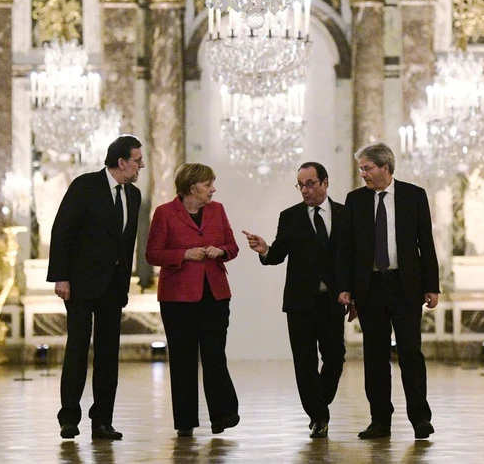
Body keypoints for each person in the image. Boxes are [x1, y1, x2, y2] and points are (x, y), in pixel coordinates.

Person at [337, 141, 440, 440]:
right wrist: (345, 287)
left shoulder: (413, 196)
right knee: (375, 357)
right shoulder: (355, 200)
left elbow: (426, 243)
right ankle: (380, 421)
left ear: (386, 167)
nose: (363, 174)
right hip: (370, 287)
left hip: (405, 286)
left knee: (411, 354)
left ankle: (420, 418)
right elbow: (346, 248)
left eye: (368, 168)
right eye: (361, 169)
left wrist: (431, 286)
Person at [47, 135, 144, 440]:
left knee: (108, 354)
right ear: (121, 162)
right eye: (137, 160)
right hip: (79, 284)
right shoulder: (85, 186)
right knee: (77, 348)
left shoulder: (134, 195)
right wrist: (60, 277)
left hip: (113, 286)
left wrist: (125, 283)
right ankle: (68, 418)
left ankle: (102, 421)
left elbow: (126, 244)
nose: (141, 166)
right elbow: (62, 231)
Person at [243, 162, 345, 439]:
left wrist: (353, 294)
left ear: (325, 182)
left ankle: (319, 404)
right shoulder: (290, 216)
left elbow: (351, 258)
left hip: (333, 300)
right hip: (300, 302)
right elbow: (278, 254)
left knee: (335, 358)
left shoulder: (344, 214)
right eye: (300, 185)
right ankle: (318, 416)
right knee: (305, 361)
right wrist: (264, 250)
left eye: (310, 183)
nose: (305, 190)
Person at [145, 163, 240, 438]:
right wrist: (184, 254)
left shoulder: (217, 210)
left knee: (214, 355)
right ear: (191, 187)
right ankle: (185, 421)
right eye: (208, 184)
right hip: (177, 298)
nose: (213, 189)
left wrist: (220, 251)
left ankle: (223, 415)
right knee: (183, 359)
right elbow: (152, 254)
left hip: (215, 295)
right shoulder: (164, 213)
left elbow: (232, 247)